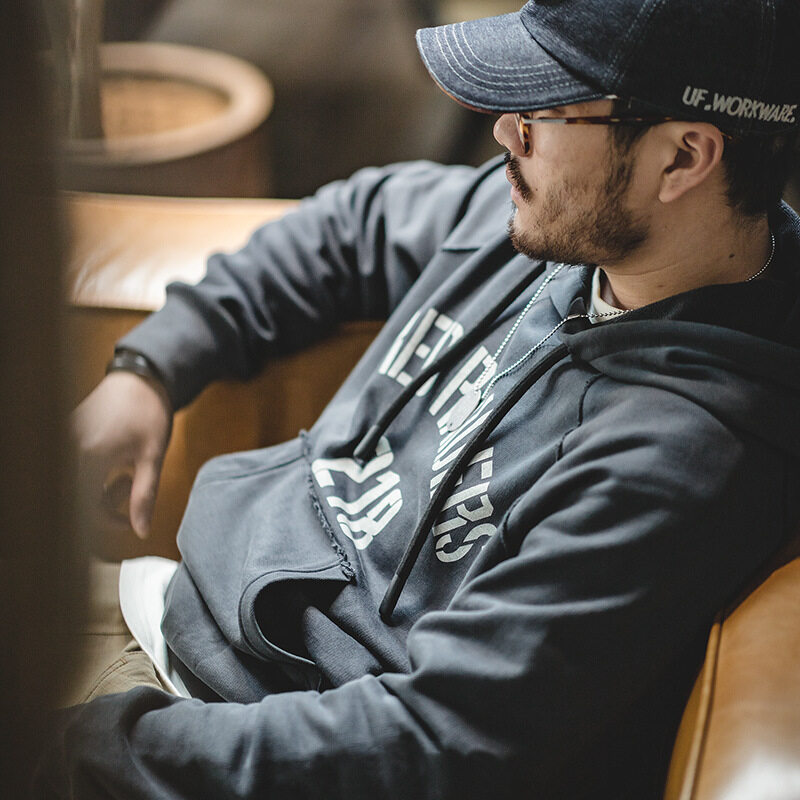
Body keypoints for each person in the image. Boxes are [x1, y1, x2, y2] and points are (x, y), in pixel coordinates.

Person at [37, 1, 800, 798]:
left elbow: (426, 743)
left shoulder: (678, 462)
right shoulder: (572, 225)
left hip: (218, 732)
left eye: (543, 111)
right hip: (171, 609)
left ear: (682, 158)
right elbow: (352, 225)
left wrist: (72, 748)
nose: (504, 131)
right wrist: (150, 369)